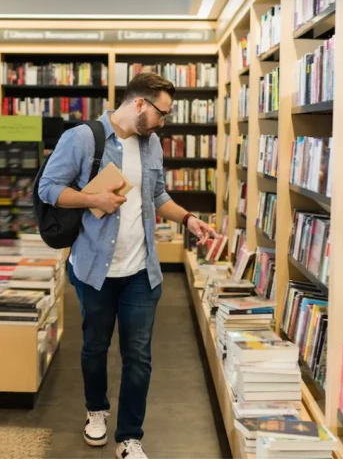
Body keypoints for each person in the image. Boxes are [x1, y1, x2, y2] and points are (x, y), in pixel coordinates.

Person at [37, 72, 216, 459]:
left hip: (141, 271)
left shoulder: (152, 145)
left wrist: (186, 218)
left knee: (139, 355)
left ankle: (130, 436)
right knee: (94, 347)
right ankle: (95, 411)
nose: (163, 122)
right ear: (139, 104)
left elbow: (157, 194)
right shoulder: (84, 138)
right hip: (94, 270)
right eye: (161, 113)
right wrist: (92, 200)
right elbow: (48, 189)